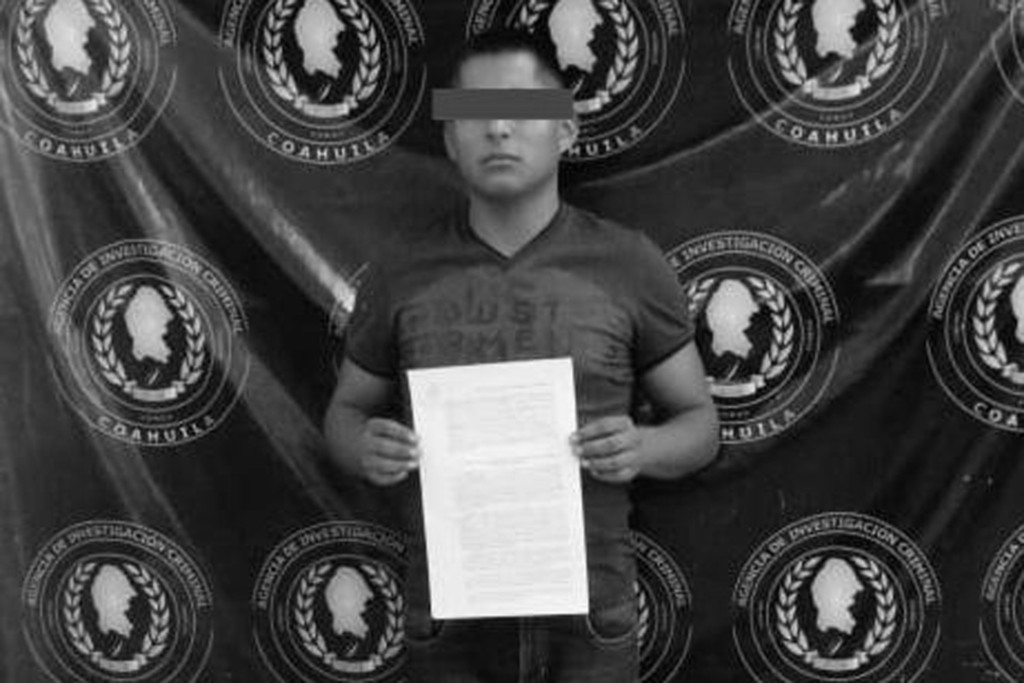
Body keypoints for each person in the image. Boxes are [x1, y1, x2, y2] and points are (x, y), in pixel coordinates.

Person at [323, 28, 719, 682]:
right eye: (474, 111)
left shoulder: (629, 263)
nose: (499, 128)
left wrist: (644, 448)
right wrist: (365, 445)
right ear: (451, 138)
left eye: (523, 108)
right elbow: (344, 415)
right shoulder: (399, 274)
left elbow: (700, 425)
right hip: (449, 613)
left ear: (565, 130)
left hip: (589, 612)